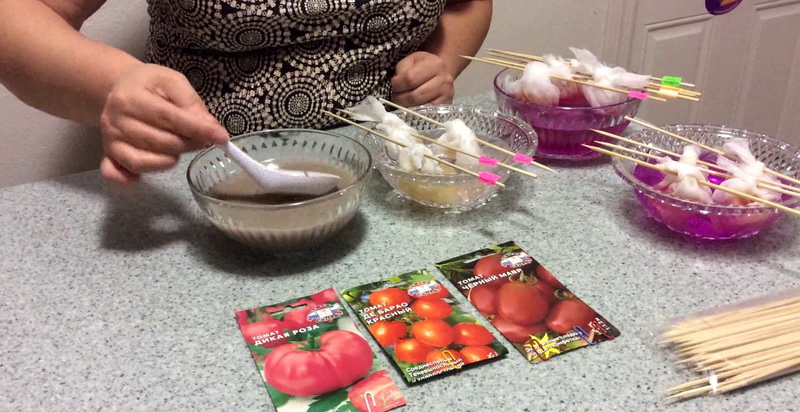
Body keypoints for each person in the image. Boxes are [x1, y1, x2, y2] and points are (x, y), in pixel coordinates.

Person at [0, 0, 492, 184]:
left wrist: (441, 63)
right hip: (211, 177)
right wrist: (112, 82)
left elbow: (465, 4)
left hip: (396, 167)